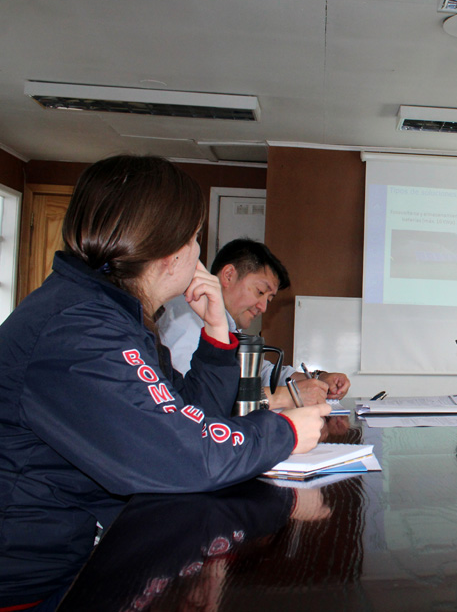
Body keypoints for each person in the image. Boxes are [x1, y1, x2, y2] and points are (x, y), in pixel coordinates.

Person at [0, 156, 329, 611]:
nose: (199, 253)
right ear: (169, 251)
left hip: (75, 562)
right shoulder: (79, 327)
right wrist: (286, 431)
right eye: (195, 237)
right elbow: (182, 452)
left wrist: (217, 332)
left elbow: (192, 412)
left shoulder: (112, 316)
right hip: (32, 588)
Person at [158, 238, 350, 407]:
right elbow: (192, 399)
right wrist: (288, 396)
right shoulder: (186, 316)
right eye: (260, 292)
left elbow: (260, 372)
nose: (263, 307)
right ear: (228, 275)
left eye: (269, 299)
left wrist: (319, 378)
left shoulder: (227, 325)